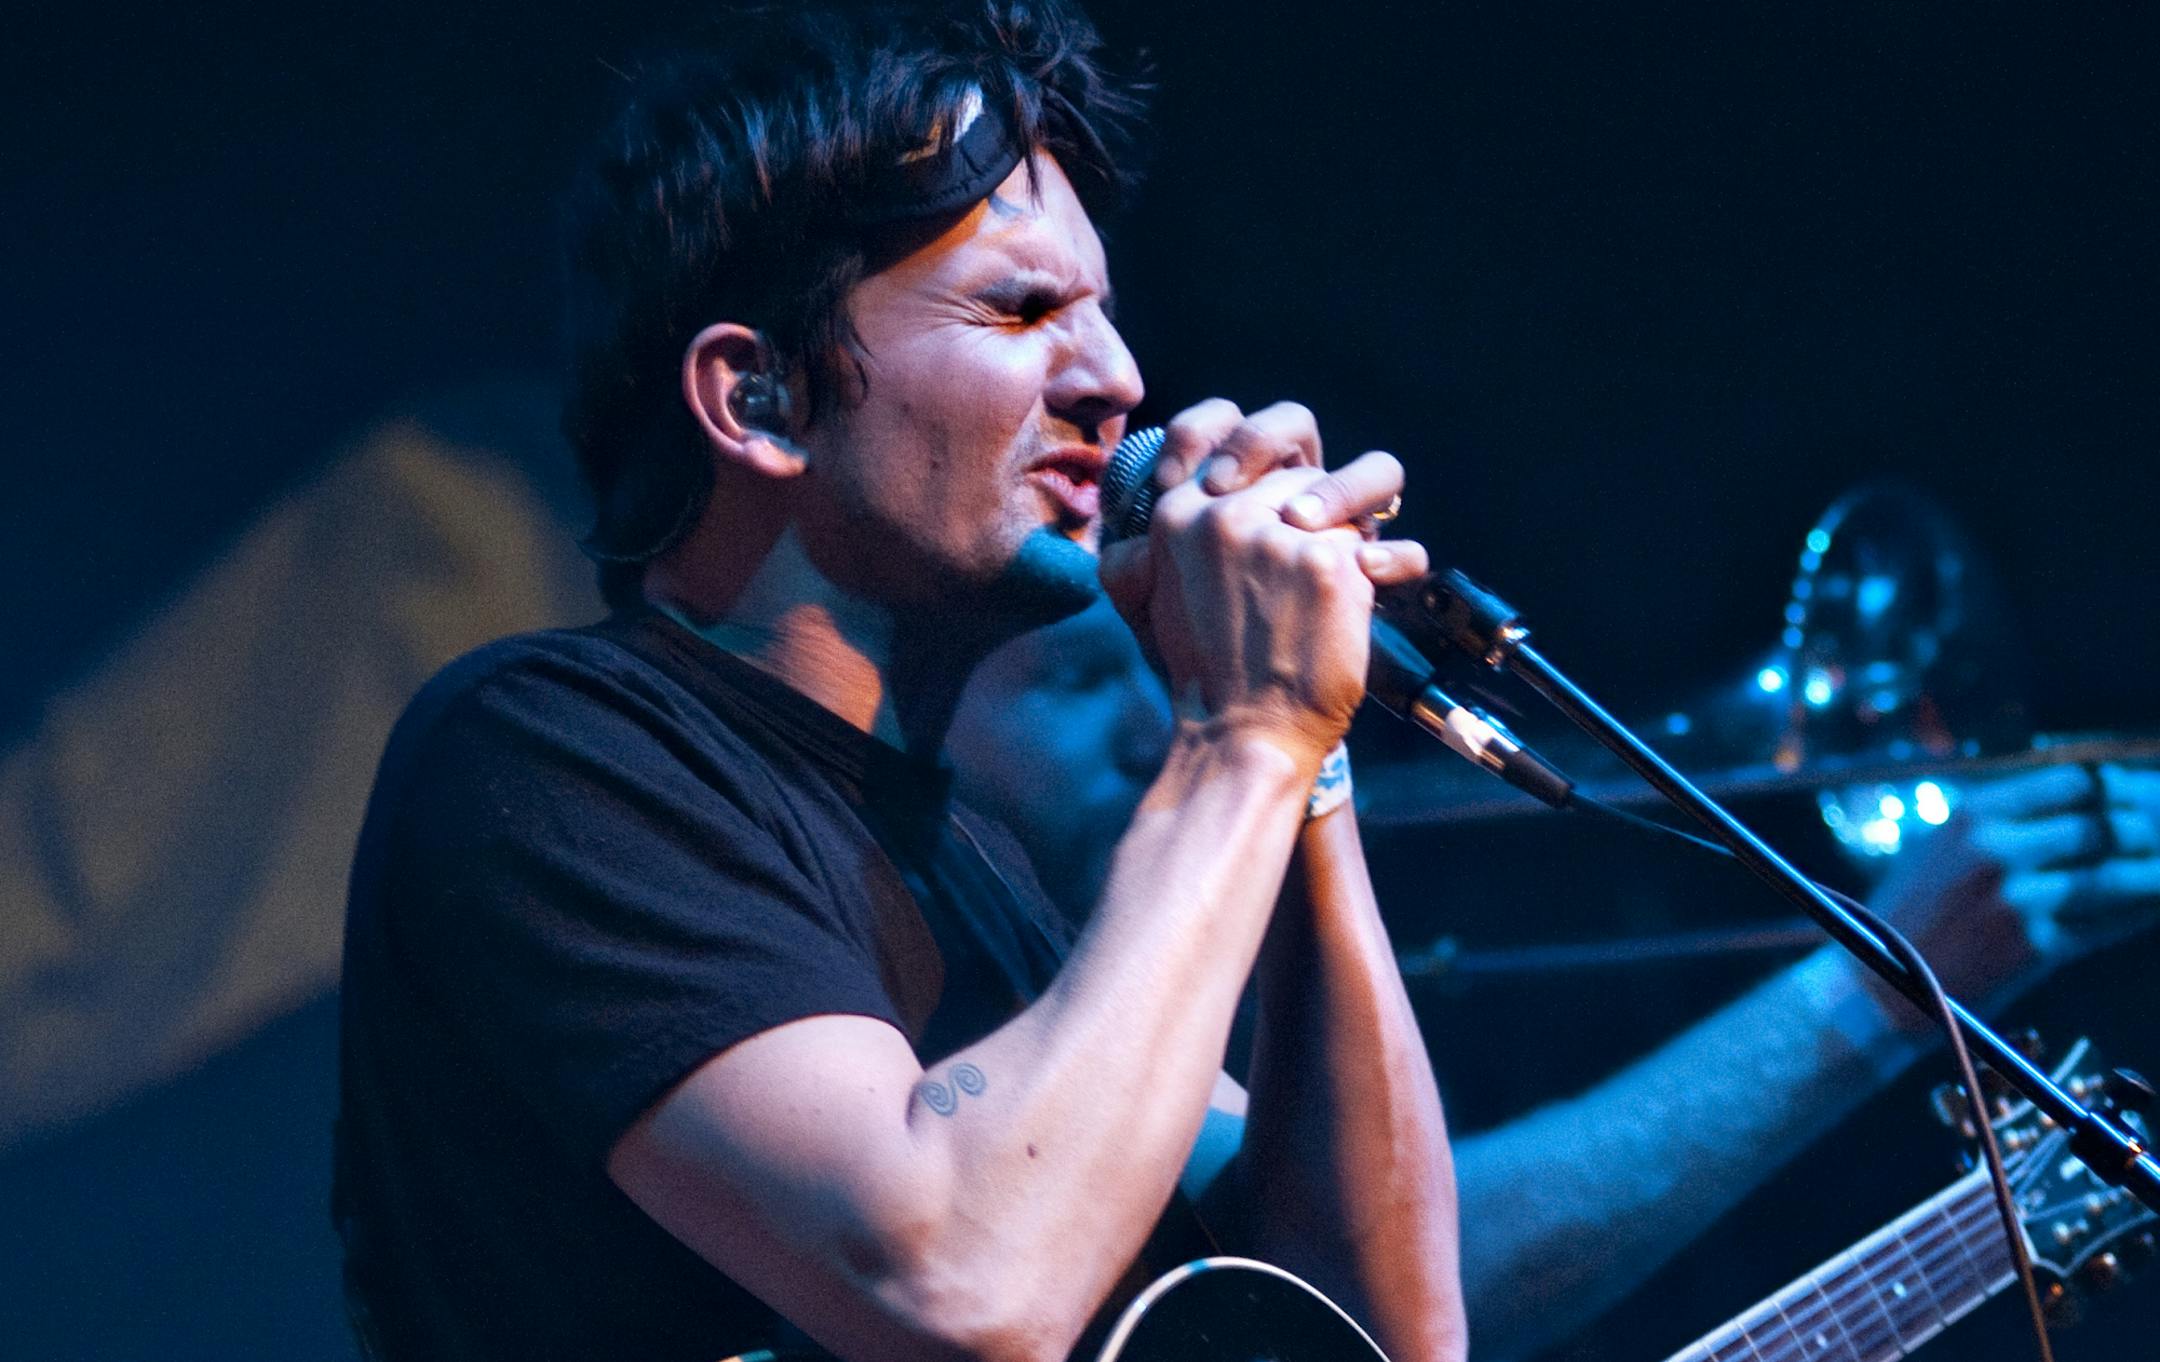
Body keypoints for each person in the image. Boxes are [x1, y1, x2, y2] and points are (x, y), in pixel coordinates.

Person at [334, 5, 1466, 1361]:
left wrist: (1308, 767)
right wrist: (1245, 734)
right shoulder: (547, 757)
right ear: (760, 399)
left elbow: (1383, 1331)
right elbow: (959, 1285)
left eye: (1103, 314)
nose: (1118, 381)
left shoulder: (974, 857)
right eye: (1024, 306)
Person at [947, 595, 2160, 1361]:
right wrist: (1884, 983)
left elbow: (1380, 1297)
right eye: (1079, 680)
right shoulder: (923, 968)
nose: (1160, 726)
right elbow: (1453, 1275)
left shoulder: (1120, 967)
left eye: (1160, 669)